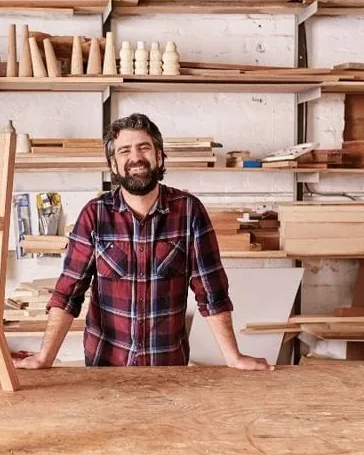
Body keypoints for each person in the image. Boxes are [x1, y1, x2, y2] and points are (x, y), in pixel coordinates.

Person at [14, 113, 273, 371]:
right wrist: (44, 357)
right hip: (106, 367)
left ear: (159, 156)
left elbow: (212, 292)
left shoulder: (189, 211)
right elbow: (68, 293)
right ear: (113, 165)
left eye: (144, 148)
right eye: (124, 151)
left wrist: (233, 357)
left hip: (167, 368)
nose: (135, 157)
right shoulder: (95, 215)